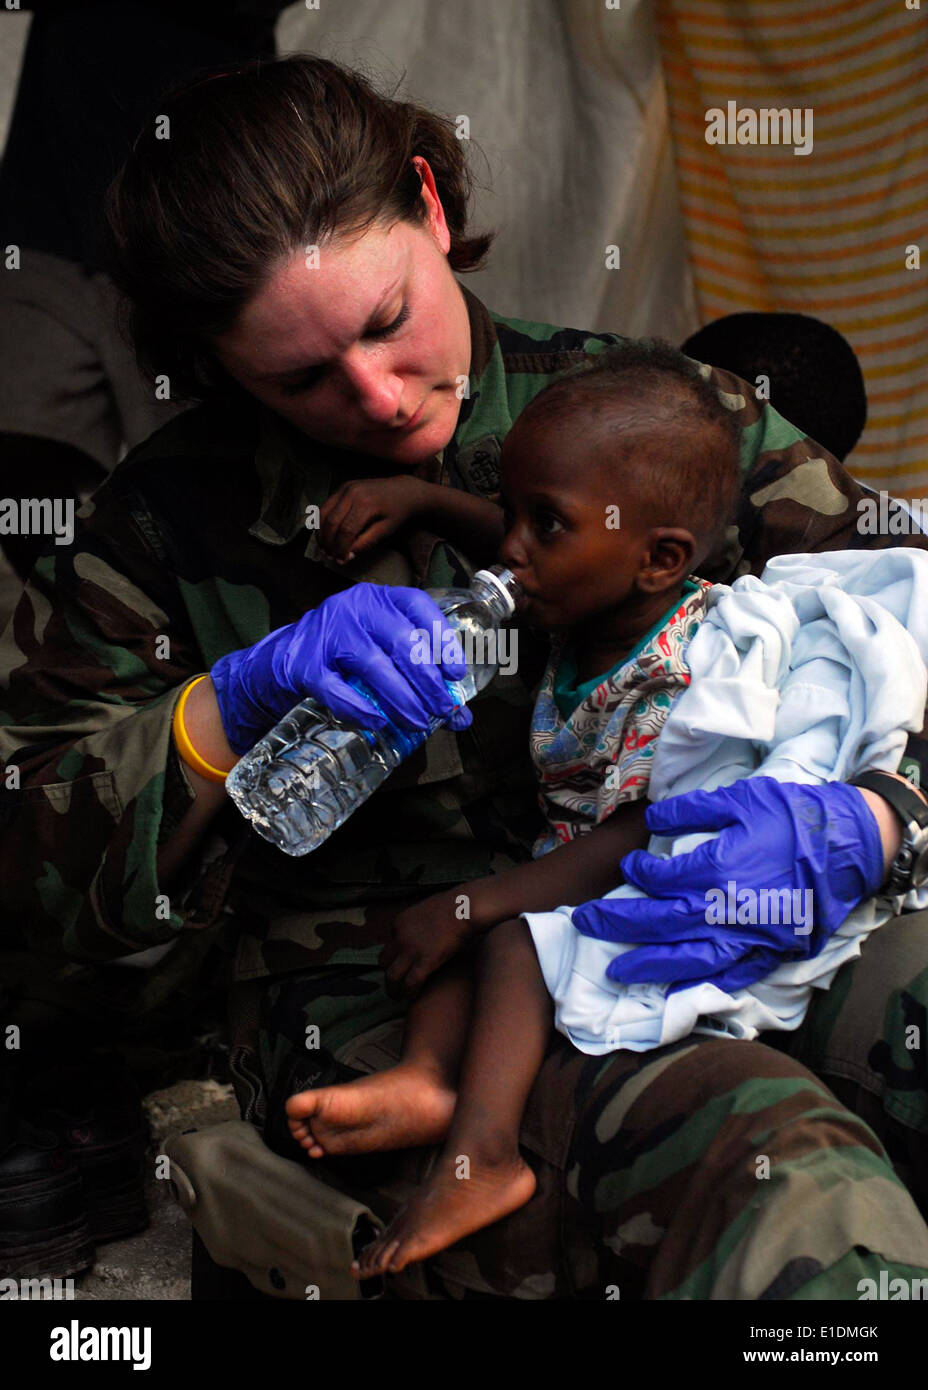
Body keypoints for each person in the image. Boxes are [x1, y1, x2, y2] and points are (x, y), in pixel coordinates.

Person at [2, 53, 928, 1298]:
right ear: (218, 366)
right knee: (785, 1180)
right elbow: (34, 897)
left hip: (719, 889)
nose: (378, 401)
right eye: (300, 378)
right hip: (404, 985)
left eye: (388, 323)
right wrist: (223, 708)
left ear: (431, 208)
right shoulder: (162, 530)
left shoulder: (661, 422)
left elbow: (902, 604)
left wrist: (878, 817)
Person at [285, 339, 739, 1272]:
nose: (512, 549)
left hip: (652, 876)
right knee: (470, 914)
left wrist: (488, 905)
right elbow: (514, 530)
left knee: (505, 935)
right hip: (574, 853)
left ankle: (481, 1158)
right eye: (513, 515)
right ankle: (423, 1077)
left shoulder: (678, 665)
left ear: (659, 559)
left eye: (546, 525)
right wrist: (418, 500)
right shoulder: (589, 600)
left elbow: (642, 829)